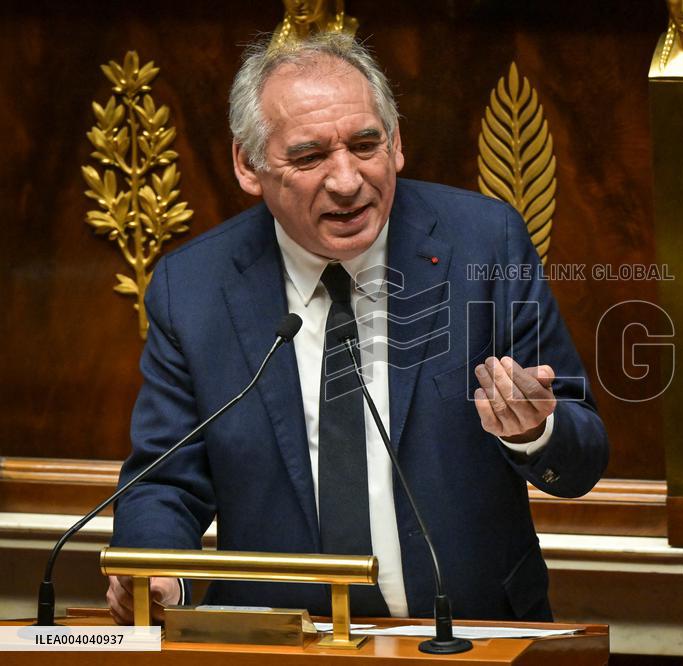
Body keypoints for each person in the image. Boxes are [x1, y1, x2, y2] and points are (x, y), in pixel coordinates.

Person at [107, 32, 608, 625]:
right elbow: (164, 482)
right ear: (249, 165)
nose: (347, 181)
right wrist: (158, 571)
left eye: (365, 144)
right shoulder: (193, 288)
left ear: (396, 145)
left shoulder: (484, 242)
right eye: (310, 156)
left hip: (469, 633)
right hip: (280, 644)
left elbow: (581, 457)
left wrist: (535, 431)